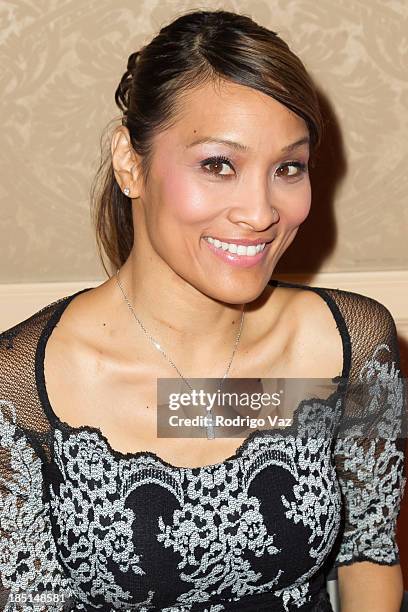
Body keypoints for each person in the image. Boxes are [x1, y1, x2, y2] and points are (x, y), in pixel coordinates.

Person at [0, 9, 406, 612]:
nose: (261, 211)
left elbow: (369, 556)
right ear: (129, 162)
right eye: (219, 165)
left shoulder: (348, 343)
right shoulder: (22, 388)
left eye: (288, 168)